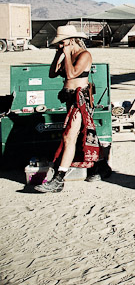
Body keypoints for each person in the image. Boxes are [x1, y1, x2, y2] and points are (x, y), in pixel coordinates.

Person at [35, 25, 102, 193]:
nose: (59, 46)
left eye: (61, 43)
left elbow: (72, 74)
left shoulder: (84, 55)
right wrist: (59, 54)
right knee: (80, 135)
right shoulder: (67, 55)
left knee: (69, 137)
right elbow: (52, 73)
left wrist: (65, 55)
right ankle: (98, 168)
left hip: (80, 101)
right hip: (70, 99)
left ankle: (59, 180)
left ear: (71, 40)